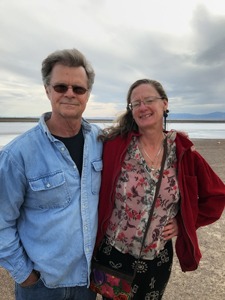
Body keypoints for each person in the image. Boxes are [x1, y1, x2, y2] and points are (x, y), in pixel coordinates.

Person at [93, 79, 225, 299]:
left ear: (164, 103)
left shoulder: (183, 151)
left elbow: (217, 195)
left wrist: (184, 224)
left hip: (157, 260)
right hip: (114, 255)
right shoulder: (115, 145)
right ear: (132, 111)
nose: (142, 107)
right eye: (136, 104)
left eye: (149, 100)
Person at [0, 49, 102, 300]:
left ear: (87, 94)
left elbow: (138, 148)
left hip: (89, 283)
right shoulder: (17, 154)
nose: (70, 93)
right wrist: (25, 276)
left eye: (78, 88)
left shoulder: (101, 141)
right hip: (41, 286)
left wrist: (169, 139)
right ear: (47, 90)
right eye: (60, 86)